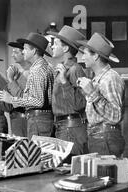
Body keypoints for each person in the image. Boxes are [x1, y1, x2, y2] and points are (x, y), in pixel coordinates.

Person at [76, 33, 125, 157]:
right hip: (98, 137)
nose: (82, 58)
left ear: (96, 56)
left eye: (85, 53)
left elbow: (115, 116)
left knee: (106, 176)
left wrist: (93, 93)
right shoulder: (97, 78)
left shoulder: (110, 78)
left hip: (105, 138)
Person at [0, 33, 54, 139]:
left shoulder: (37, 70)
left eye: (25, 49)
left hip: (38, 120)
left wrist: (12, 100)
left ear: (34, 51)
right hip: (41, 119)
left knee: (37, 154)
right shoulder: (45, 66)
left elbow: (38, 101)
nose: (23, 51)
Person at [48, 25, 88, 156]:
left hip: (71, 128)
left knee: (74, 171)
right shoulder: (62, 69)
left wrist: (64, 82)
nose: (52, 46)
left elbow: (79, 104)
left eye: (55, 44)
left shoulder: (75, 69)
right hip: (63, 127)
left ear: (65, 48)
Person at [6, 41, 31, 137]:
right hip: (17, 119)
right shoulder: (20, 72)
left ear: (24, 53)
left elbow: (23, 99)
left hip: (24, 119)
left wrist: (11, 79)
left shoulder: (29, 73)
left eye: (16, 52)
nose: (12, 55)